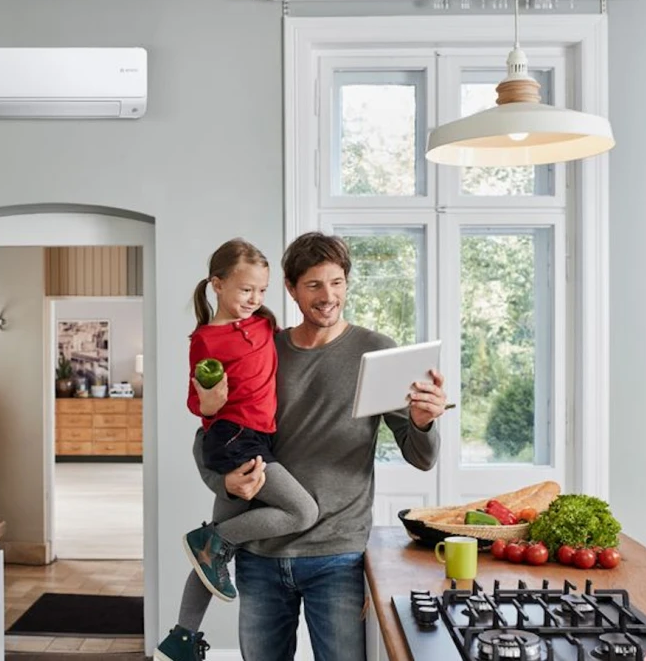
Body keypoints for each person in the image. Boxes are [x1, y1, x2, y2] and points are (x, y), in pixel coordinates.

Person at [193, 232, 447, 660]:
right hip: (261, 555)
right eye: (313, 285)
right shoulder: (263, 347)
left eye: (337, 282)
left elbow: (421, 458)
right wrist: (225, 484)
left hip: (337, 555)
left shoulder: (377, 352)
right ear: (291, 289)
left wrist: (423, 421)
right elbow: (211, 435)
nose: (328, 296)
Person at [155, 238, 320, 661]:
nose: (254, 298)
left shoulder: (264, 324)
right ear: (217, 284)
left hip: (258, 438)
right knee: (302, 511)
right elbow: (198, 404)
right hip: (233, 437)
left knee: (211, 558)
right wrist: (209, 399)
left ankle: (182, 637)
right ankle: (213, 540)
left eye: (261, 291)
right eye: (246, 289)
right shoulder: (207, 340)